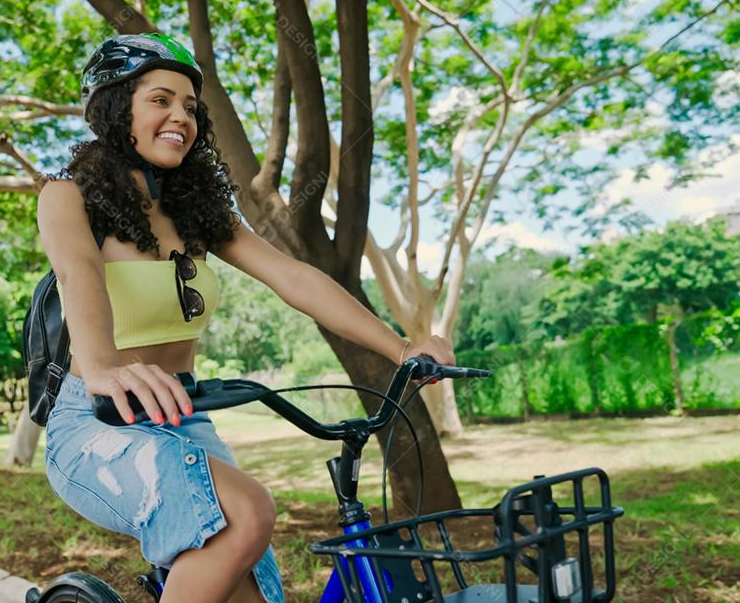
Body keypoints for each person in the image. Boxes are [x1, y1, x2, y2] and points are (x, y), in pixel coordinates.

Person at [37, 33, 455, 603]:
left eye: (189, 106)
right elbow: (76, 273)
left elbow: (295, 278)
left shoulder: (200, 211)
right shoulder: (66, 197)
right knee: (248, 509)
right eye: (160, 100)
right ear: (116, 109)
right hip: (97, 422)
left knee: (251, 588)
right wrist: (105, 367)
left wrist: (401, 347)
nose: (179, 117)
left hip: (184, 415)